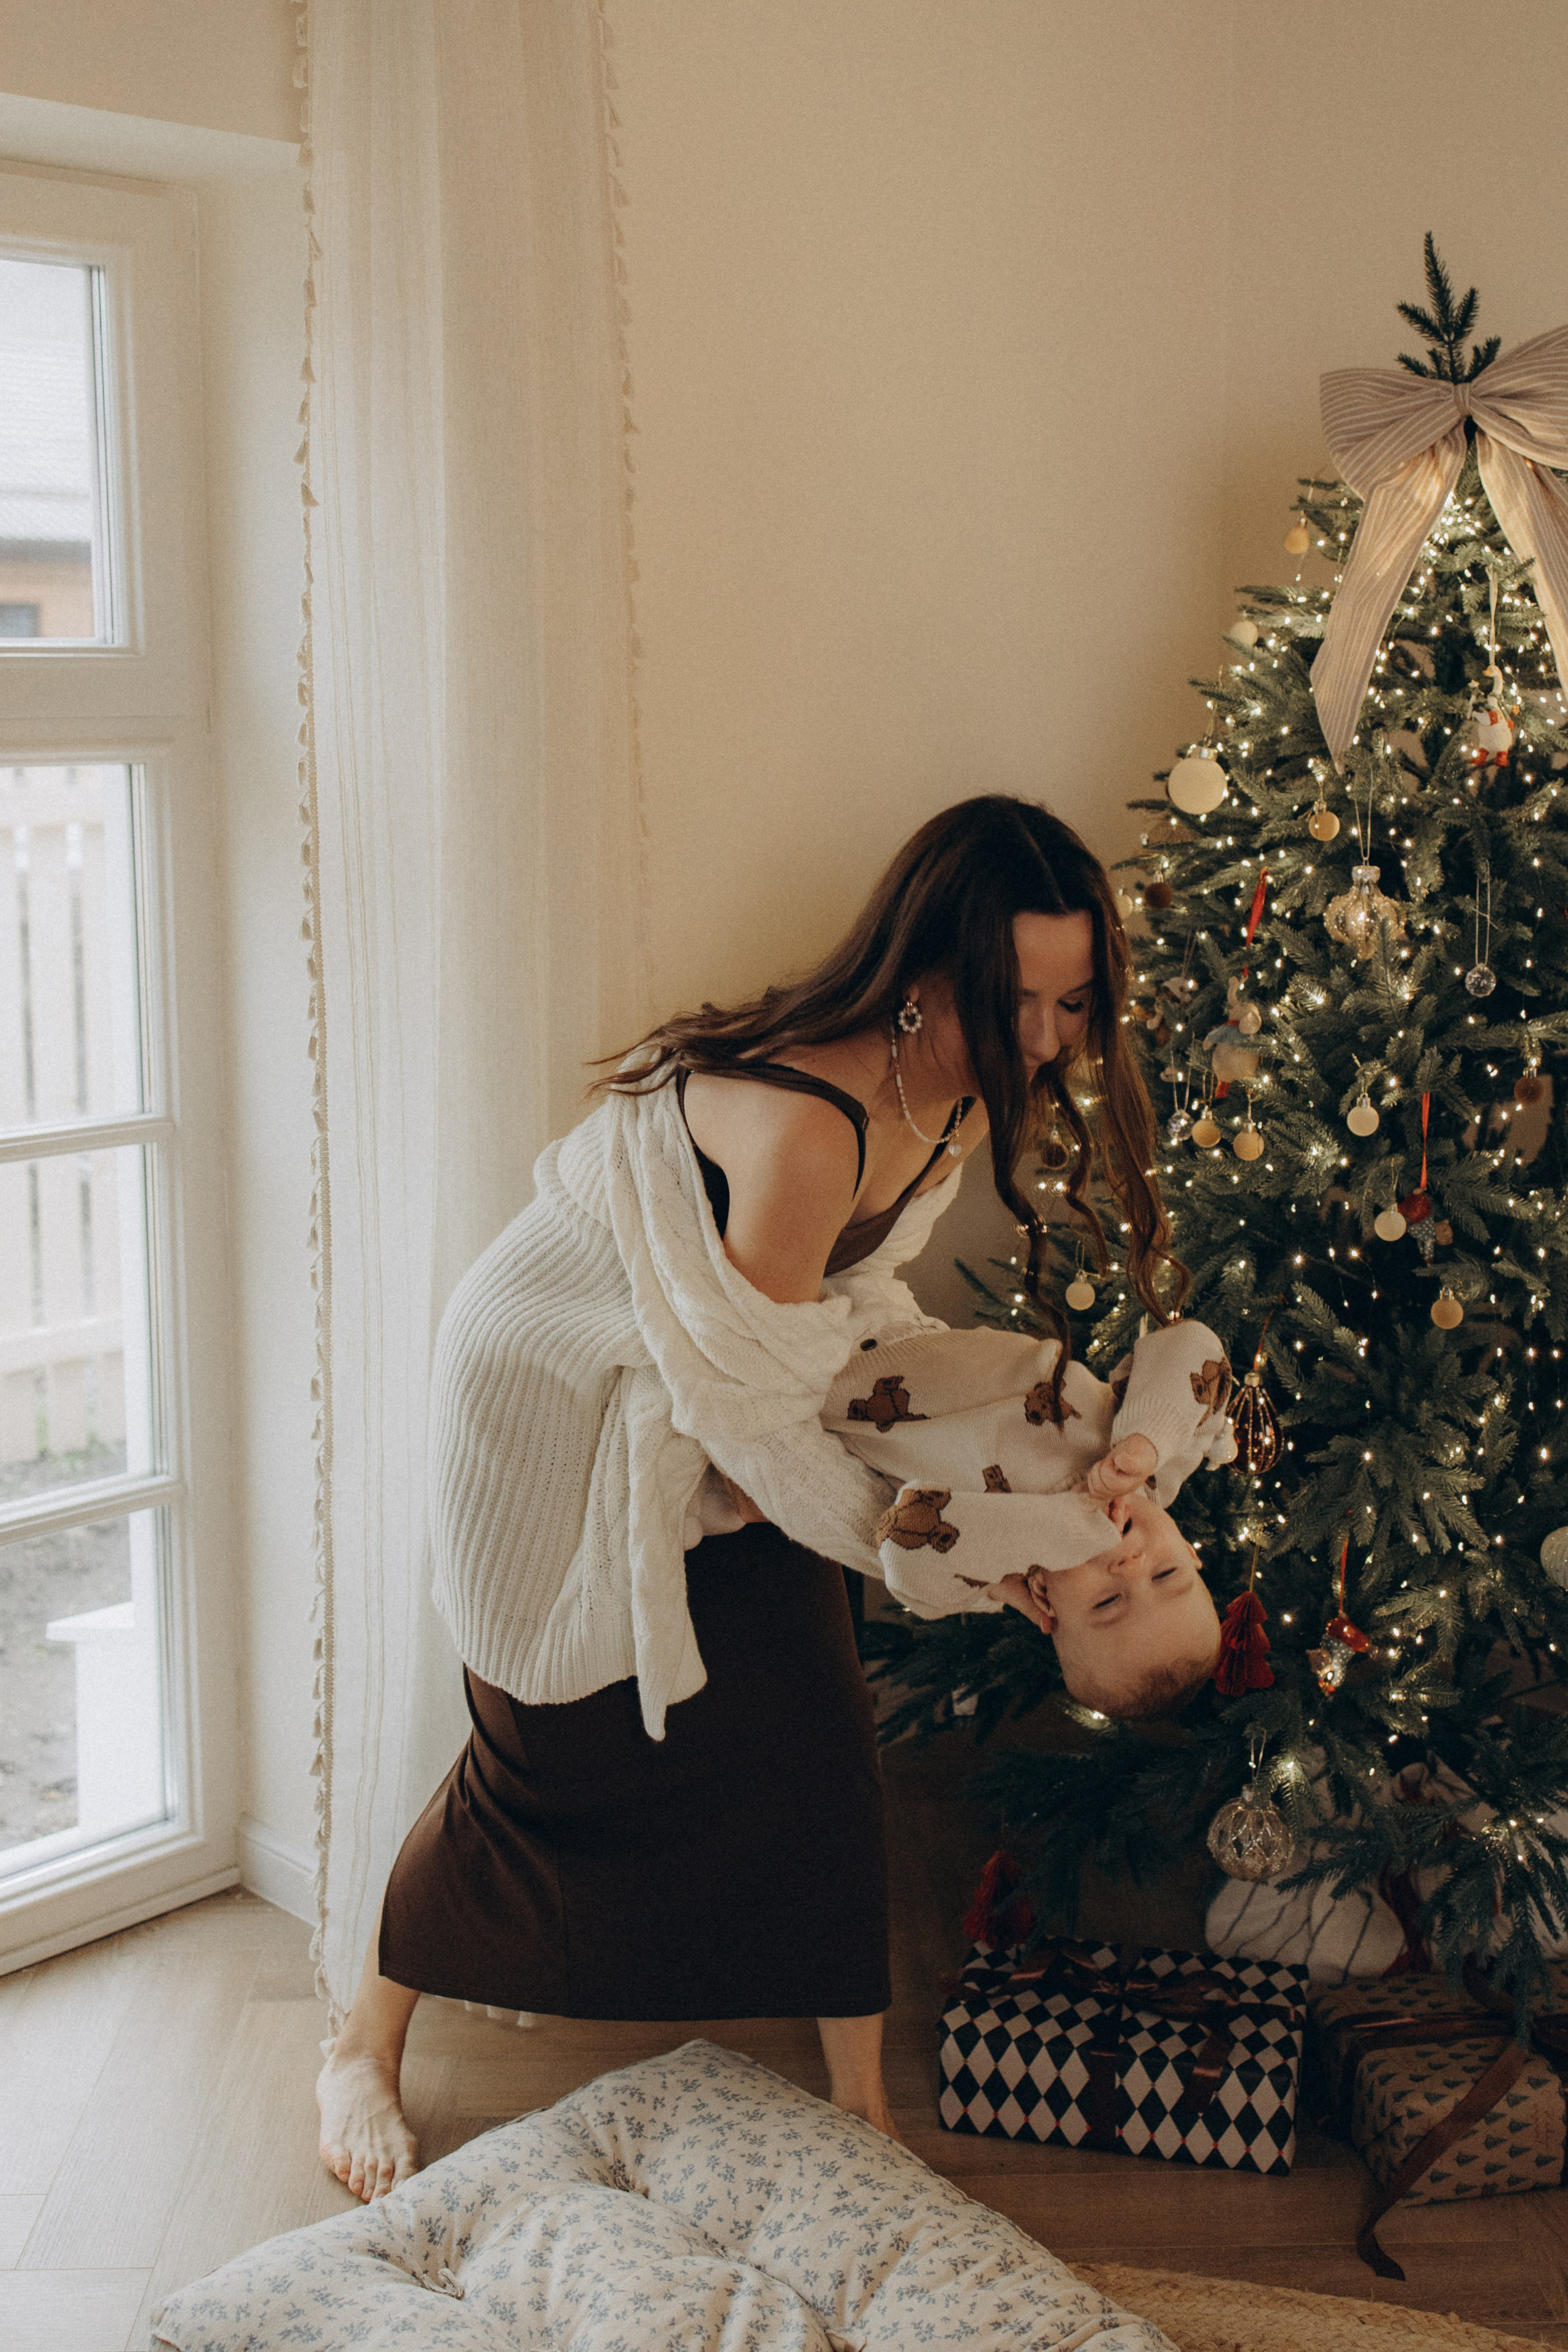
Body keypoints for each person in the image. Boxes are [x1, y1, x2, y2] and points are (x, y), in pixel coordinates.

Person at [315, 794, 1185, 2201]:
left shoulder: (954, 1085)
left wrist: (991, 1459)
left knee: (817, 1736)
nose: (1042, 1036)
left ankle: (860, 2101)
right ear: (923, 973)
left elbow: (841, 1309)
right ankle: (360, 2041)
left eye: (1071, 1000)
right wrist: (946, 1559)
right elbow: (755, 1426)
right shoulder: (808, 1125)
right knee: (537, 1756)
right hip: (552, 1399)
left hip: (706, 1393)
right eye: (1009, 996)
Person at [812, 1318, 1232, 1714]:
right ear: (1192, 1555)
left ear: (1047, 1605)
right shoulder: (1159, 1470)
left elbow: (901, 1539)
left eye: (1108, 1601)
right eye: (1166, 1575)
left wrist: (1014, 1574)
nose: (1131, 1567)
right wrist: (1146, 1440)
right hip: (902, 1322)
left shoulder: (1001, 1563)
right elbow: (1193, 1344)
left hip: (829, 1375)